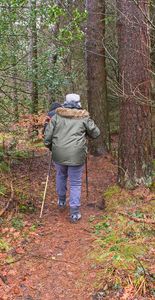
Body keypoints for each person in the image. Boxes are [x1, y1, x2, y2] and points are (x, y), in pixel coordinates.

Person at [43, 93, 100, 223]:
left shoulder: (57, 116)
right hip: (77, 154)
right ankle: (74, 213)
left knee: (61, 175)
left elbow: (47, 137)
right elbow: (96, 133)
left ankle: (61, 201)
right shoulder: (84, 117)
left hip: (59, 153)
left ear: (65, 102)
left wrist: (51, 147)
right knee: (75, 182)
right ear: (79, 103)